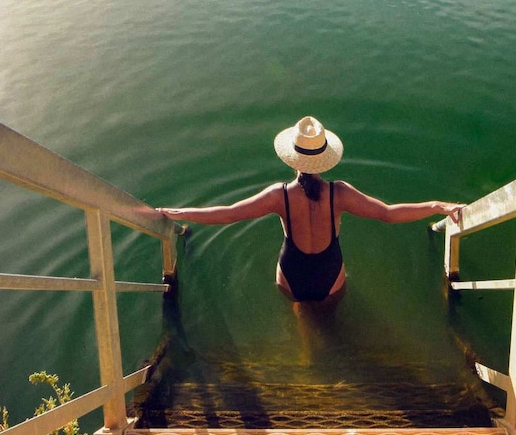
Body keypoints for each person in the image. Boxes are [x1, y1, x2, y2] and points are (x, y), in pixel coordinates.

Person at [156, 116, 466, 304]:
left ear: (291, 158)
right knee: (332, 320)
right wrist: (435, 206)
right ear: (325, 156)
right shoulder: (339, 193)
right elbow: (387, 213)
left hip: (292, 270)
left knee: (301, 321)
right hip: (330, 270)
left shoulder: (279, 196)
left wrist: (182, 214)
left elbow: (229, 214)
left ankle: (305, 353)